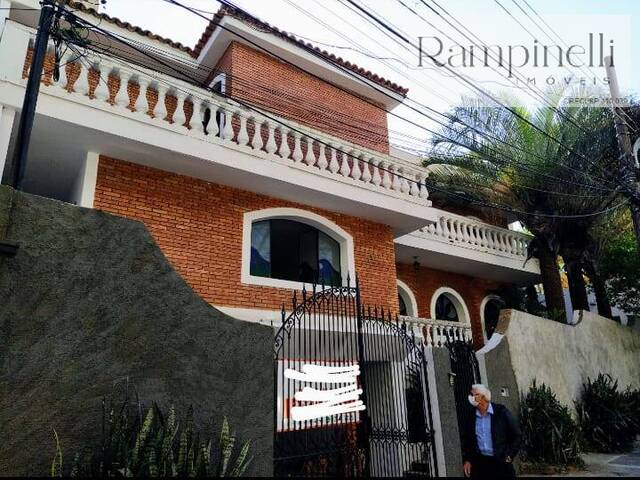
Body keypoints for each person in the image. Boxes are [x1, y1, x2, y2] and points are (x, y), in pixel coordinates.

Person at [462, 384, 521, 478]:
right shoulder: (471, 416)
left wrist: (509, 455)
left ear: (484, 397)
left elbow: (517, 435)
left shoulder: (501, 412)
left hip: (500, 462)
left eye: (475, 395)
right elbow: (467, 440)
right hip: (480, 463)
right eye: (471, 394)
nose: (472, 397)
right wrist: (468, 460)